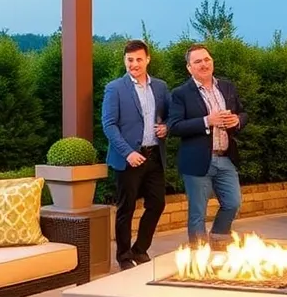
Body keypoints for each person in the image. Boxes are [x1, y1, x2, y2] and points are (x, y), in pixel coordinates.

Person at [100, 39, 170, 269]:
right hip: (128, 158)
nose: (134, 64)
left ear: (147, 59)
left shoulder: (160, 87)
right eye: (130, 60)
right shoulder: (115, 88)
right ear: (125, 60)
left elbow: (170, 116)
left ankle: (140, 249)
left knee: (157, 204)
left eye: (139, 59)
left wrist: (167, 126)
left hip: (154, 156)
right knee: (126, 209)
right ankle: (123, 256)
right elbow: (109, 124)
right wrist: (128, 152)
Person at [167, 44, 246, 246]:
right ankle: (198, 259)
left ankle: (217, 242)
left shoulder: (227, 87)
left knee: (233, 203)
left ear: (212, 61)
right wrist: (206, 121)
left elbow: (243, 112)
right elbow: (174, 126)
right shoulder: (181, 93)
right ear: (189, 67)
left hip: (225, 157)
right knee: (198, 213)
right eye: (197, 61)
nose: (204, 64)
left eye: (206, 59)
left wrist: (237, 120)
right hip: (198, 161)